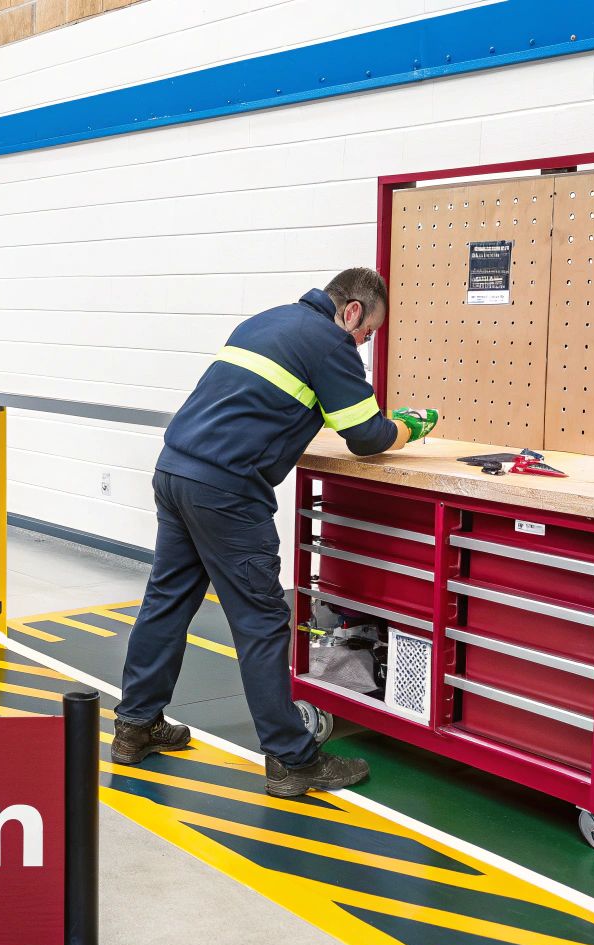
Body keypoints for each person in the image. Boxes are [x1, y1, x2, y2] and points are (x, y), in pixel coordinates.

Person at [111, 268, 438, 797]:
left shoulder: (266, 322)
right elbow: (366, 436)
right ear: (352, 311)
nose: (364, 344)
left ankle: (135, 727)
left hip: (175, 471)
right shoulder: (331, 343)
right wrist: (412, 425)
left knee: (166, 601)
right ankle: (292, 760)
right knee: (262, 621)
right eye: (369, 333)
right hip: (226, 493)